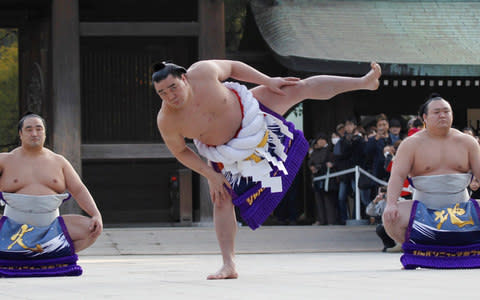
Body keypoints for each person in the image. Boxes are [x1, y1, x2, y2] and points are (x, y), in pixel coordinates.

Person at [152, 59, 381, 279]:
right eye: (162, 93)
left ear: (184, 78)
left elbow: (233, 67)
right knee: (221, 198)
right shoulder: (167, 120)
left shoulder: (202, 72)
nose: (170, 96)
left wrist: (268, 80)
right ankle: (228, 264)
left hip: (253, 113)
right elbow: (180, 151)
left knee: (296, 87)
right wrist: (210, 174)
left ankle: (364, 82)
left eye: (173, 87)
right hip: (227, 155)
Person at [383, 95, 480, 269]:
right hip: (424, 210)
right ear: (425, 118)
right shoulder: (410, 144)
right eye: (437, 112)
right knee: (391, 217)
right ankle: (422, 248)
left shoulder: (468, 142)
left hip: (462, 210)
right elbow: (397, 176)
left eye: (446, 111)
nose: (442, 115)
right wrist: (391, 203)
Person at [0, 113, 103, 277]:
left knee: (91, 228)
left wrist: (96, 214)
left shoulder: (59, 161)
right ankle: (44, 254)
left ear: (45, 133)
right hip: (10, 228)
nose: (34, 133)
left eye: (38, 129)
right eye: (29, 129)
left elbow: (78, 189)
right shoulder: (4, 160)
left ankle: (50, 253)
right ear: (20, 134)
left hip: (50, 228)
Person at [308, 133, 337, 225]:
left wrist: (323, 166)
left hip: (327, 178)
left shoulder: (330, 149)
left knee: (328, 200)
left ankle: (330, 220)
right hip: (317, 178)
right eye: (319, 140)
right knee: (318, 200)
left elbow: (333, 162)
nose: (320, 142)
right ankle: (321, 220)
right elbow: (310, 162)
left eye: (322, 140)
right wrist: (312, 167)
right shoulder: (315, 151)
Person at [365, 186, 401, 252]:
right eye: (381, 193)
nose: (383, 195)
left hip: (399, 225)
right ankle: (389, 245)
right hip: (387, 225)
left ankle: (401, 245)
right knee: (380, 228)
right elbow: (369, 212)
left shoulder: (399, 200)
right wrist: (374, 201)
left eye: (385, 193)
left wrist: (390, 199)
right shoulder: (381, 203)